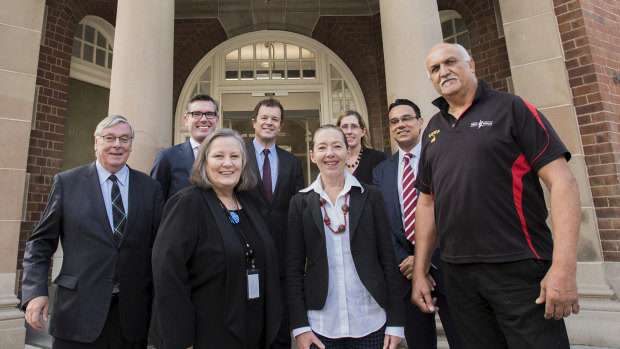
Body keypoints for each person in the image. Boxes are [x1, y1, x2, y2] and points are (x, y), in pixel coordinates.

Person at [412, 43, 580, 348]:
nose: (443, 71)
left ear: (472, 64)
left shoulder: (512, 108)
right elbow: (427, 203)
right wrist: (420, 272)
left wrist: (564, 267)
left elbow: (563, 183)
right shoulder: (433, 129)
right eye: (434, 68)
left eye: (450, 62)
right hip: (459, 276)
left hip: (518, 267)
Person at [21, 115, 164, 348]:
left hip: (131, 317)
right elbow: (40, 243)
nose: (117, 144)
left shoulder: (150, 187)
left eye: (124, 139)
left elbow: (160, 248)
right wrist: (35, 292)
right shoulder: (67, 183)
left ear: (130, 145)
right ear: (96, 142)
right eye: (110, 138)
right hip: (78, 313)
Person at [152, 128, 282, 349]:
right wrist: (182, 341)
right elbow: (168, 275)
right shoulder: (187, 204)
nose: (228, 163)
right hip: (207, 334)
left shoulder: (250, 203)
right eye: (218, 156)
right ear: (204, 162)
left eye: (234, 156)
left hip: (254, 330)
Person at [287, 125, 404, 349]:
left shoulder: (371, 197)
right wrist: (300, 326)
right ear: (312, 156)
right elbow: (293, 269)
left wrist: (396, 322)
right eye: (322, 147)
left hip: (370, 320)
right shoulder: (300, 203)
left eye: (337, 146)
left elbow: (388, 260)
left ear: (347, 152)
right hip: (320, 325)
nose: (330, 153)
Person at [373, 99, 461, 349]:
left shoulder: (443, 159)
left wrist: (424, 260)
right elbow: (384, 224)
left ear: (420, 122)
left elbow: (455, 211)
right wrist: (409, 262)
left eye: (406, 118)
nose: (400, 125)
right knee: (420, 344)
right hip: (406, 275)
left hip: (445, 267)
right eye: (394, 121)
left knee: (462, 340)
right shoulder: (382, 171)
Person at [245, 98, 304, 349]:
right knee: (249, 320)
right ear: (254, 122)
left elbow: (298, 208)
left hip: (282, 254)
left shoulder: (292, 162)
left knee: (281, 322)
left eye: (275, 119)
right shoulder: (238, 155)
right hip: (246, 252)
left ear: (280, 126)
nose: (269, 123)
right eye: (265, 118)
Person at [151, 93, 220, 201]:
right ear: (186, 120)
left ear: (217, 120)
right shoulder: (167, 158)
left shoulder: (229, 158)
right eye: (196, 114)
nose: (203, 119)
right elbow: (156, 202)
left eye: (209, 114)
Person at [337, 110, 387, 184]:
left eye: (354, 126)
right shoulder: (334, 159)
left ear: (363, 131)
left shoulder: (378, 158)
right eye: (345, 127)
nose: (349, 131)